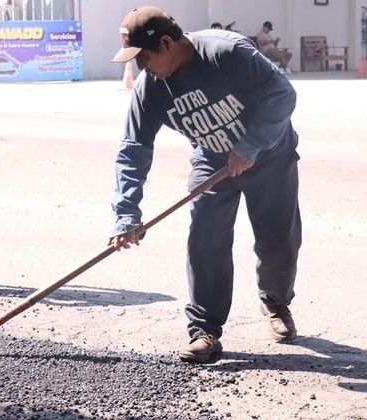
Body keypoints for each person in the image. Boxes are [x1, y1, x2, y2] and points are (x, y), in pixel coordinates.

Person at [110, 6, 301, 363]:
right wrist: (126, 212)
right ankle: (205, 330)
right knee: (205, 241)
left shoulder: (225, 53)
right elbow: (133, 149)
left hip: (270, 155)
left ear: (167, 43)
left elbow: (283, 96)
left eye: (144, 58)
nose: (141, 68)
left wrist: (249, 146)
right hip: (213, 160)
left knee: (278, 241)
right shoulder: (150, 87)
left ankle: (276, 304)